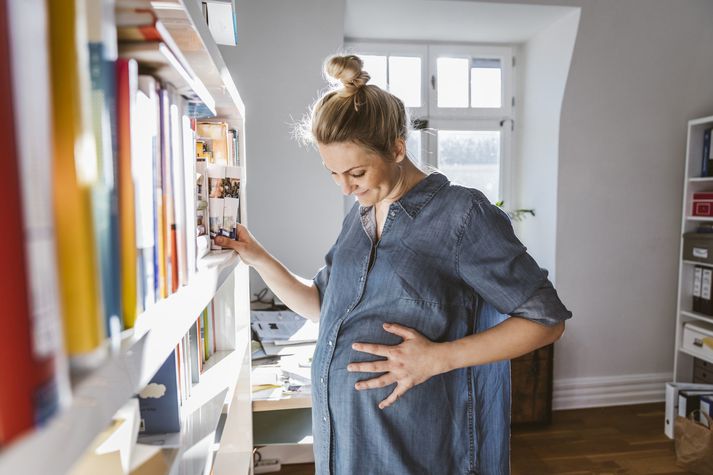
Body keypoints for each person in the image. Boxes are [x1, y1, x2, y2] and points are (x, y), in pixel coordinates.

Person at [214, 54, 572, 475]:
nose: (346, 187)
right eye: (332, 174)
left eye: (357, 172)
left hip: (420, 450)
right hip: (347, 448)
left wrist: (436, 358)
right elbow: (323, 306)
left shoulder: (462, 215)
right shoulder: (361, 215)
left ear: (397, 149)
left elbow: (546, 320)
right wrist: (257, 256)